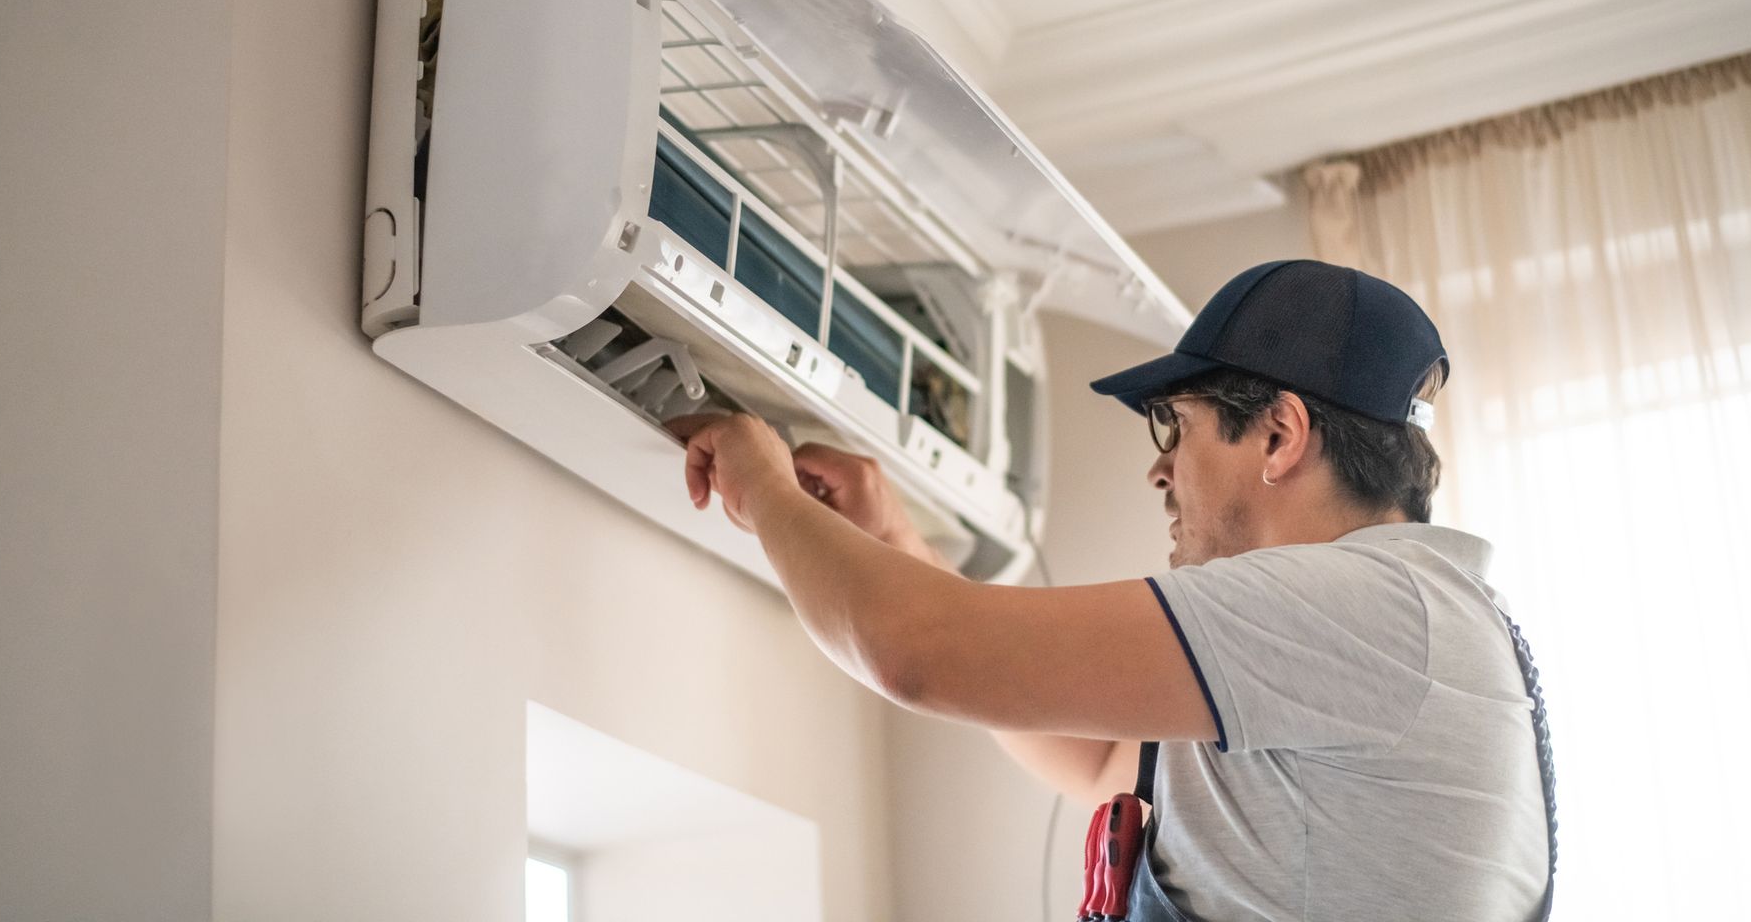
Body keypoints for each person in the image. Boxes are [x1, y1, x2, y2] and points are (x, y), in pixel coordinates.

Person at [664, 259, 1553, 921]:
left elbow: (917, 655)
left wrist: (761, 485)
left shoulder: (1364, 608)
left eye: (1176, 424)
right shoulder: (1397, 626)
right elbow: (1095, 762)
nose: (1159, 470)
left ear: (1280, 435)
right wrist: (896, 540)